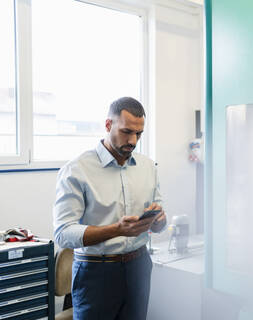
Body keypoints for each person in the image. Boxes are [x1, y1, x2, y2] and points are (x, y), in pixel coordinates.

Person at [53, 97, 166, 320]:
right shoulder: (76, 170)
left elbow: (160, 221)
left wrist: (159, 220)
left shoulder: (148, 167)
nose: (133, 141)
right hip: (96, 272)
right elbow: (63, 233)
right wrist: (117, 229)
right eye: (126, 132)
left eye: (139, 134)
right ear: (108, 125)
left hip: (139, 266)